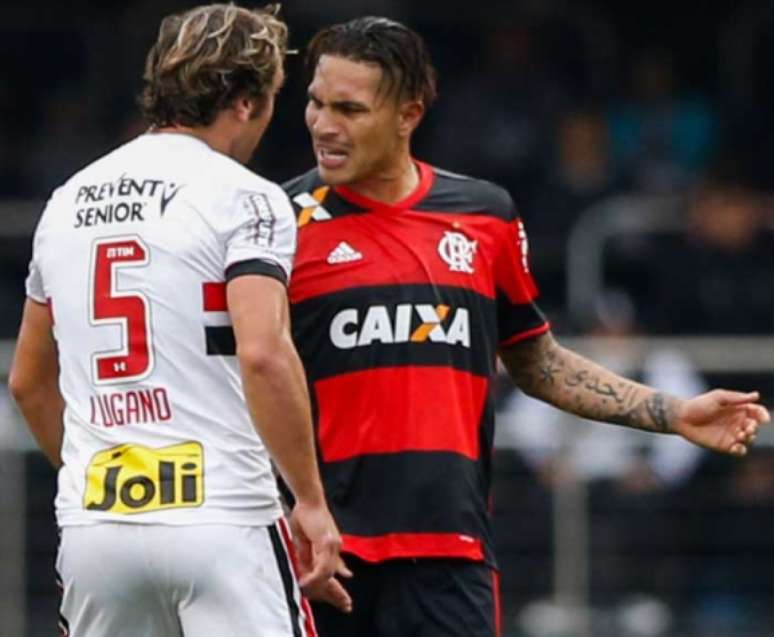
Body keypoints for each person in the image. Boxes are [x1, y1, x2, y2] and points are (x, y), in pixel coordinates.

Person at [281, 16, 769, 637]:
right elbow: (245, 374)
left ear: (408, 114)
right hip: (324, 556)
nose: (324, 125)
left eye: (349, 108)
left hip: (450, 556)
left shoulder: (484, 217)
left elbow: (536, 361)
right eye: (316, 103)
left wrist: (672, 413)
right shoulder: (277, 221)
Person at [9, 5, 344, 636]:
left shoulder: (67, 201)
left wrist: (96, 477)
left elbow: (28, 381)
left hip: (97, 529)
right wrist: (309, 500)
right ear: (244, 101)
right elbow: (264, 353)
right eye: (271, 100)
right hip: (224, 515)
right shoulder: (246, 195)